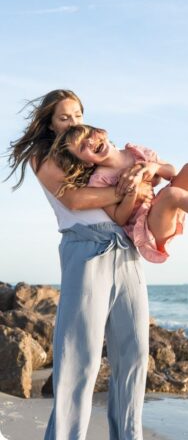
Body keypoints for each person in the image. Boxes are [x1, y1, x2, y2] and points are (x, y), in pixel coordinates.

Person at [4, 90, 154, 439]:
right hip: (86, 251)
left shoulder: (95, 148)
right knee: (78, 362)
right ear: (50, 123)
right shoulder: (43, 157)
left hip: (126, 249)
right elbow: (74, 199)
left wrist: (138, 183)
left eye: (77, 115)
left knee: (134, 357)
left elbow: (143, 177)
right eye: (64, 117)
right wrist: (126, 189)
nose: (74, 122)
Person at [49, 124, 188, 263]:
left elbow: (171, 172)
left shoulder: (135, 152)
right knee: (172, 195)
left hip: (162, 204)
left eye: (89, 135)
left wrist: (152, 167)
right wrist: (130, 194)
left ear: (101, 132)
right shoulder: (99, 180)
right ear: (85, 163)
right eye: (82, 147)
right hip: (148, 229)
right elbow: (120, 218)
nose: (89, 142)